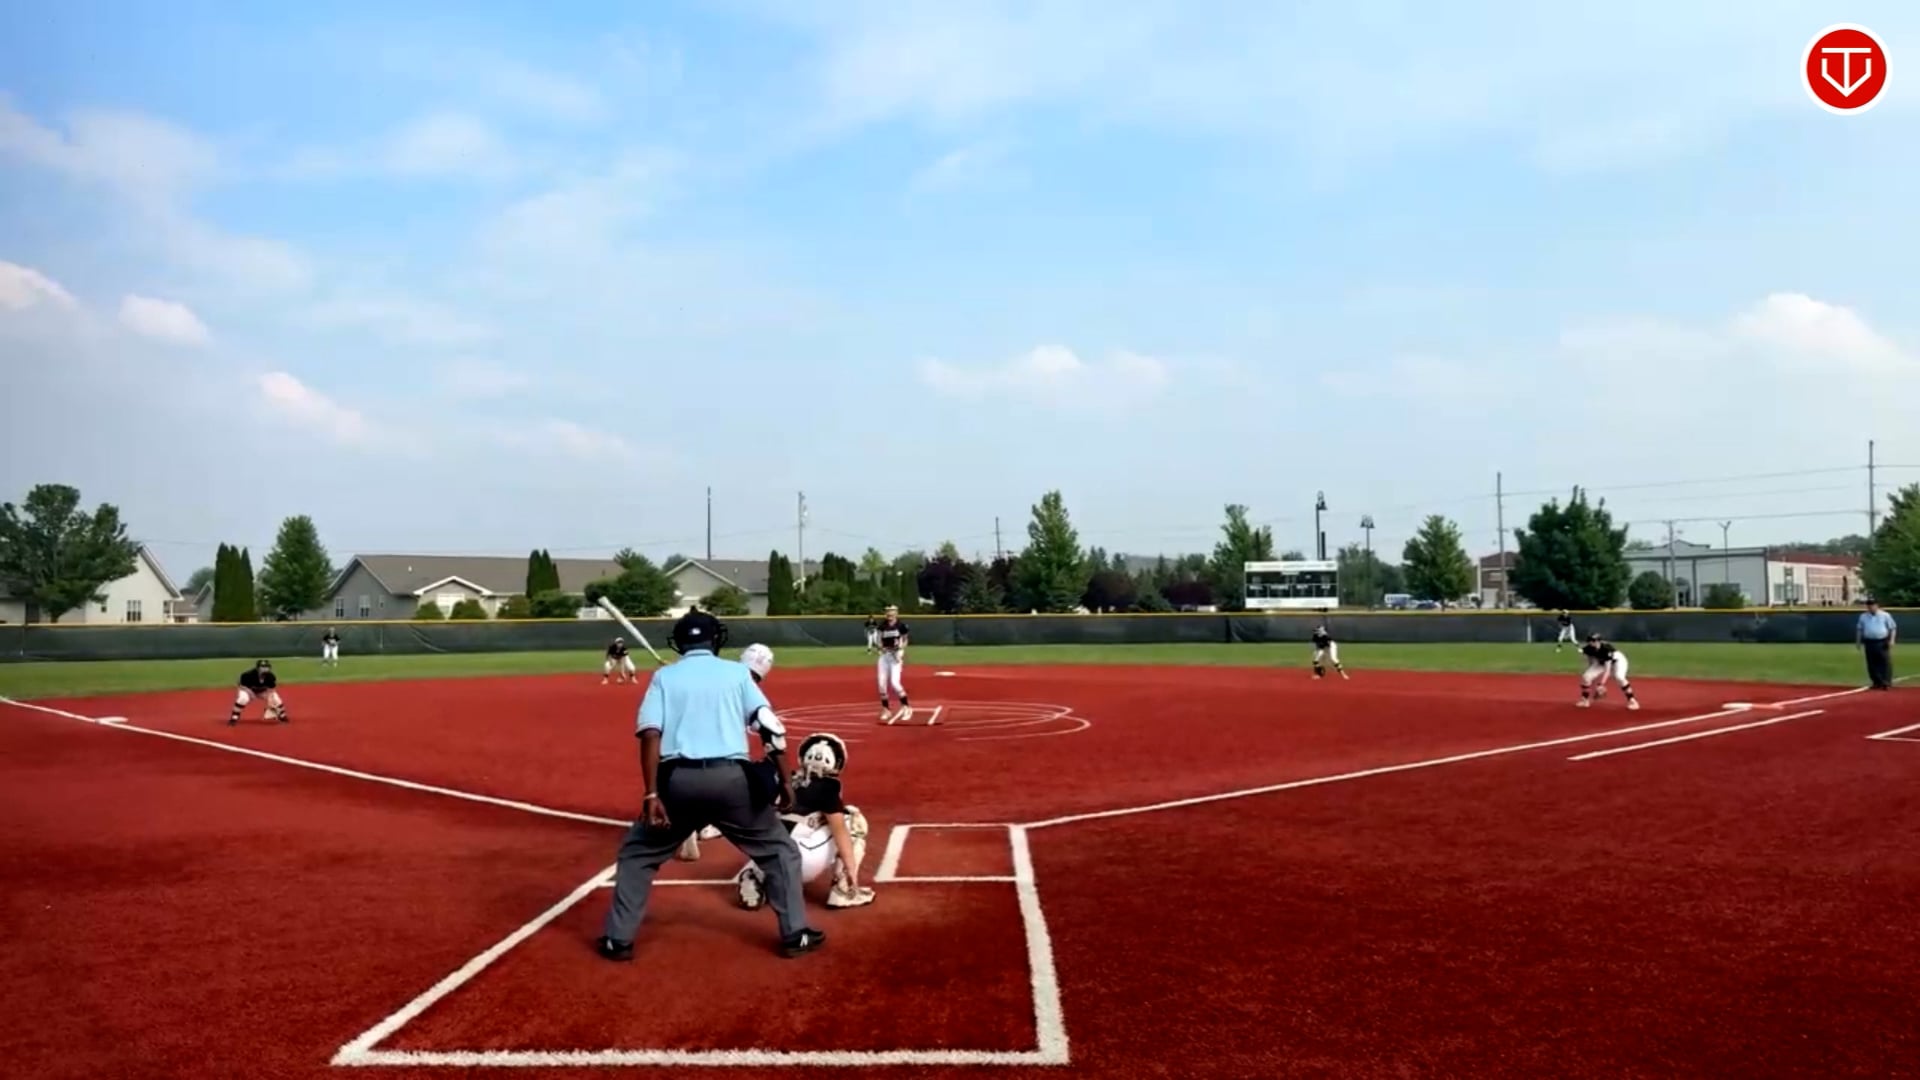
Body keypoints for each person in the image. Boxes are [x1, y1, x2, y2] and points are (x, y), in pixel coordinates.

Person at [595, 612, 825, 962]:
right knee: (779, 852)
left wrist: (651, 793)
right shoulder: (737, 673)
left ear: (679, 643)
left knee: (638, 854)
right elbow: (769, 727)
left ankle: (618, 939)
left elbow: (651, 734)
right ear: (716, 639)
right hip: (732, 782)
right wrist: (785, 780)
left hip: (677, 783)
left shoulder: (664, 677)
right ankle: (796, 934)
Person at [734, 733, 876, 911]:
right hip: (800, 861)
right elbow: (840, 831)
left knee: (778, 831)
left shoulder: (785, 779)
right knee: (851, 819)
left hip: (767, 856)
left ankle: (756, 875)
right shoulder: (828, 786)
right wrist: (852, 871)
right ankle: (843, 890)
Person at [875, 605, 916, 723]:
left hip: (896, 657)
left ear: (896, 613)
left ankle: (906, 707)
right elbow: (878, 640)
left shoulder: (901, 626)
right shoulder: (882, 626)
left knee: (894, 683)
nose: (889, 614)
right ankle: (886, 709)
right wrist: (881, 647)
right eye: (888, 612)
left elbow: (905, 640)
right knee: (881, 684)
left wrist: (900, 650)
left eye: (892, 612)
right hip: (885, 656)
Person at [1577, 633, 1639, 710]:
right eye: (1589, 640)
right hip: (1601, 662)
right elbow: (1591, 662)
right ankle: (1584, 701)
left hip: (1617, 661)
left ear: (1599, 641)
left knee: (1619, 677)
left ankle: (1633, 701)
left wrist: (1601, 684)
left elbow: (1607, 670)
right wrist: (1591, 679)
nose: (1591, 642)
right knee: (1586, 677)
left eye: (1593, 640)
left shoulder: (1606, 649)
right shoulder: (1588, 649)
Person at [228, 660, 288, 725]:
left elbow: (271, 689)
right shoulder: (248, 675)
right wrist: (250, 693)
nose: (265, 669)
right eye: (262, 667)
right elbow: (241, 686)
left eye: (267, 667)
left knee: (276, 698)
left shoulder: (271, 677)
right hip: (247, 690)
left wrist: (270, 701)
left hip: (262, 692)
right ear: (257, 668)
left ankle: (282, 715)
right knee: (243, 698)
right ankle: (234, 717)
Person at [1857, 598, 1897, 690]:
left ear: (1877, 605)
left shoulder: (1885, 615)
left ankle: (1886, 682)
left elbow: (1892, 628)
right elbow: (1859, 629)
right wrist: (1858, 641)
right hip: (1869, 641)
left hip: (1882, 641)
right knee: (1871, 663)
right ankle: (1876, 682)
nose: (1870, 607)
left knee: (1885, 662)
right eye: (1869, 605)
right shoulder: (1863, 616)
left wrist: (1892, 640)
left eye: (1872, 605)